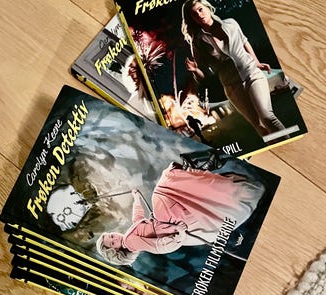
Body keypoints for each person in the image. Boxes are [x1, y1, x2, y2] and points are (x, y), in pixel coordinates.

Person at [96, 160, 264, 265]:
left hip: (167, 222)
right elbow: (158, 246)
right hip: (171, 227)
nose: (114, 237)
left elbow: (137, 218)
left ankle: (192, 174)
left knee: (161, 197)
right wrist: (178, 234)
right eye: (112, 242)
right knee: (159, 195)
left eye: (111, 236)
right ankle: (189, 174)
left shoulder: (129, 237)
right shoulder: (130, 242)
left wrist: (136, 198)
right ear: (116, 250)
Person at [181, 0, 286, 138]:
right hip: (232, 86)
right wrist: (195, 71)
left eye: (200, 9)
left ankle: (287, 140)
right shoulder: (197, 42)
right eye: (194, 14)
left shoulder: (231, 23)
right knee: (258, 125)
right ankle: (275, 143)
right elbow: (203, 74)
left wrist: (257, 63)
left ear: (207, 7)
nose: (199, 15)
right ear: (192, 19)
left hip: (251, 73)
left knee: (267, 117)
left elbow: (244, 42)